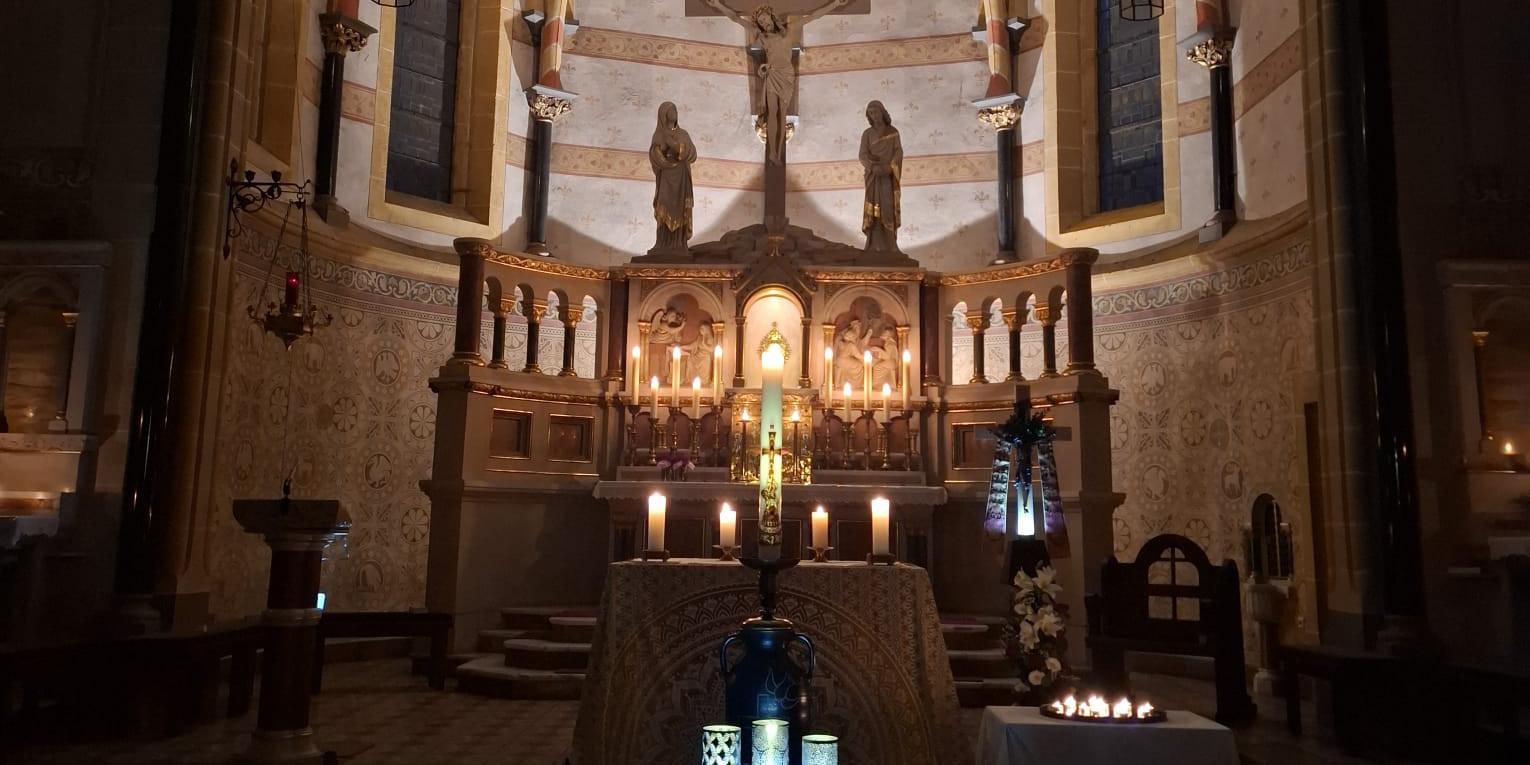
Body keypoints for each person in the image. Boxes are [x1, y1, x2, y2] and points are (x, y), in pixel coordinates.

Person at [707, 0, 848, 164]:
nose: (764, 23)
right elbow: (737, 19)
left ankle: (779, 150)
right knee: (772, 111)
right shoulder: (762, 37)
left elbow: (814, 16)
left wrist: (836, 3)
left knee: (783, 113)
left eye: (765, 18)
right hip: (772, 74)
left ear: (772, 17)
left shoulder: (790, 31)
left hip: (786, 75)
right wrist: (718, 5)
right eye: (760, 22)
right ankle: (772, 152)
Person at [649, 101, 696, 254]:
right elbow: (654, 154)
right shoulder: (659, 134)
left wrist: (676, 146)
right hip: (666, 177)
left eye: (675, 109)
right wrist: (662, 150)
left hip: (681, 175)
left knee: (680, 206)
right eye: (670, 110)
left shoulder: (683, 134)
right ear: (664, 114)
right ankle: (662, 244)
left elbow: (692, 153)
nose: (674, 112)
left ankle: (679, 244)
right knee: (664, 205)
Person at [859, 100, 903, 253]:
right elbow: (862, 155)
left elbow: (898, 152)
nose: (874, 115)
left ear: (882, 112)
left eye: (876, 112)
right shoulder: (867, 134)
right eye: (870, 113)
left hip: (887, 178)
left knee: (887, 208)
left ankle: (891, 244)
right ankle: (872, 245)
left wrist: (889, 168)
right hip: (873, 177)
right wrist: (872, 167)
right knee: (873, 209)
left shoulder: (893, 132)